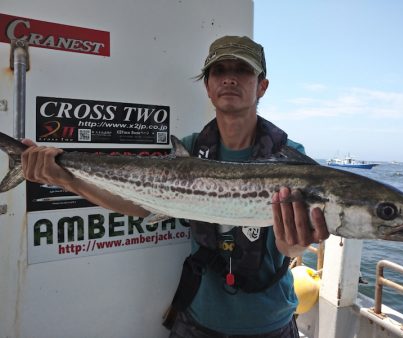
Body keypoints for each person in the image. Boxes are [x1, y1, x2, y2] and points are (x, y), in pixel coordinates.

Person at [21, 35, 330, 337]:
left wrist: (295, 246)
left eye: (243, 70)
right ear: (208, 86)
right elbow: (142, 203)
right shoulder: (190, 149)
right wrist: (67, 179)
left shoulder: (290, 159)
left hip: (269, 322)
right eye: (219, 71)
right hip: (198, 317)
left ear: (262, 85)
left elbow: (292, 247)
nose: (230, 79)